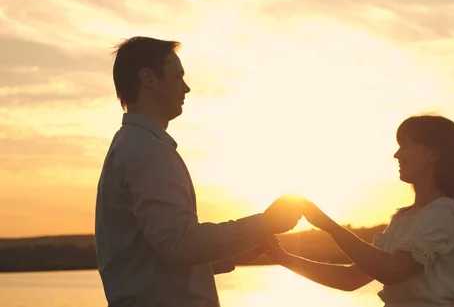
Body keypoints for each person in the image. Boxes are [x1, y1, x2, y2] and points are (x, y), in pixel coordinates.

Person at [95, 36, 303, 307]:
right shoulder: (147, 151)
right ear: (148, 78)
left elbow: (155, 257)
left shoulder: (131, 146)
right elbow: (178, 244)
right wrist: (265, 223)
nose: (186, 87)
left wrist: (234, 254)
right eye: (177, 76)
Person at [266, 115, 454, 307]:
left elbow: (393, 271)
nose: (397, 155)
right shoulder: (404, 219)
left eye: (406, 144)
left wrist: (328, 226)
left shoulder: (444, 212)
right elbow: (350, 279)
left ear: (434, 154)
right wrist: (284, 258)